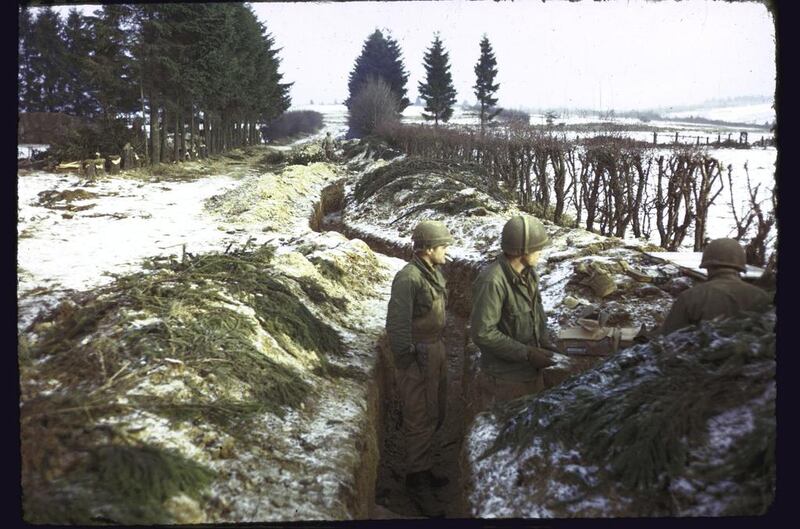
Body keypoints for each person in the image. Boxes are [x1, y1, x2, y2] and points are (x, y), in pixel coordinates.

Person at [385, 220, 453, 516]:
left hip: (434, 350)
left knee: (435, 410)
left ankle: (423, 469)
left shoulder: (433, 273)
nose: (447, 252)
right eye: (443, 246)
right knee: (418, 417)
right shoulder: (408, 278)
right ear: (427, 249)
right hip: (418, 357)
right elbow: (397, 326)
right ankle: (416, 480)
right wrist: (408, 363)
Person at [470, 215, 558, 410]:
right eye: (538, 248)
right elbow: (483, 333)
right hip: (504, 380)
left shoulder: (528, 274)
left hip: (530, 374)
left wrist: (545, 344)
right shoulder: (492, 281)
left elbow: (537, 312)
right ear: (523, 250)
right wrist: (526, 353)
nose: (541, 253)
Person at [659, 238, 771, 335]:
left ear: (707, 265)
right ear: (740, 266)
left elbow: (667, 339)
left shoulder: (690, 297)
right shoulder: (761, 296)